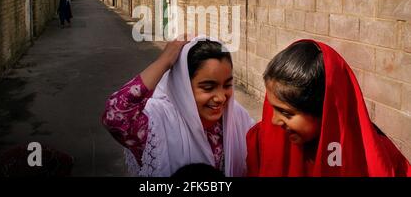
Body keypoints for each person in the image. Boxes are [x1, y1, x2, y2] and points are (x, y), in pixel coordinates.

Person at [246, 40, 411, 177]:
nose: (274, 120)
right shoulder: (262, 140)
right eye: (272, 107)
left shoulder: (374, 161)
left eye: (287, 113)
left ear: (324, 112)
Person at [102, 36, 254, 177]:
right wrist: (164, 61)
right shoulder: (159, 123)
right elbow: (116, 115)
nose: (221, 98)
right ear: (184, 86)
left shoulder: (237, 117)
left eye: (227, 85)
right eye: (208, 87)